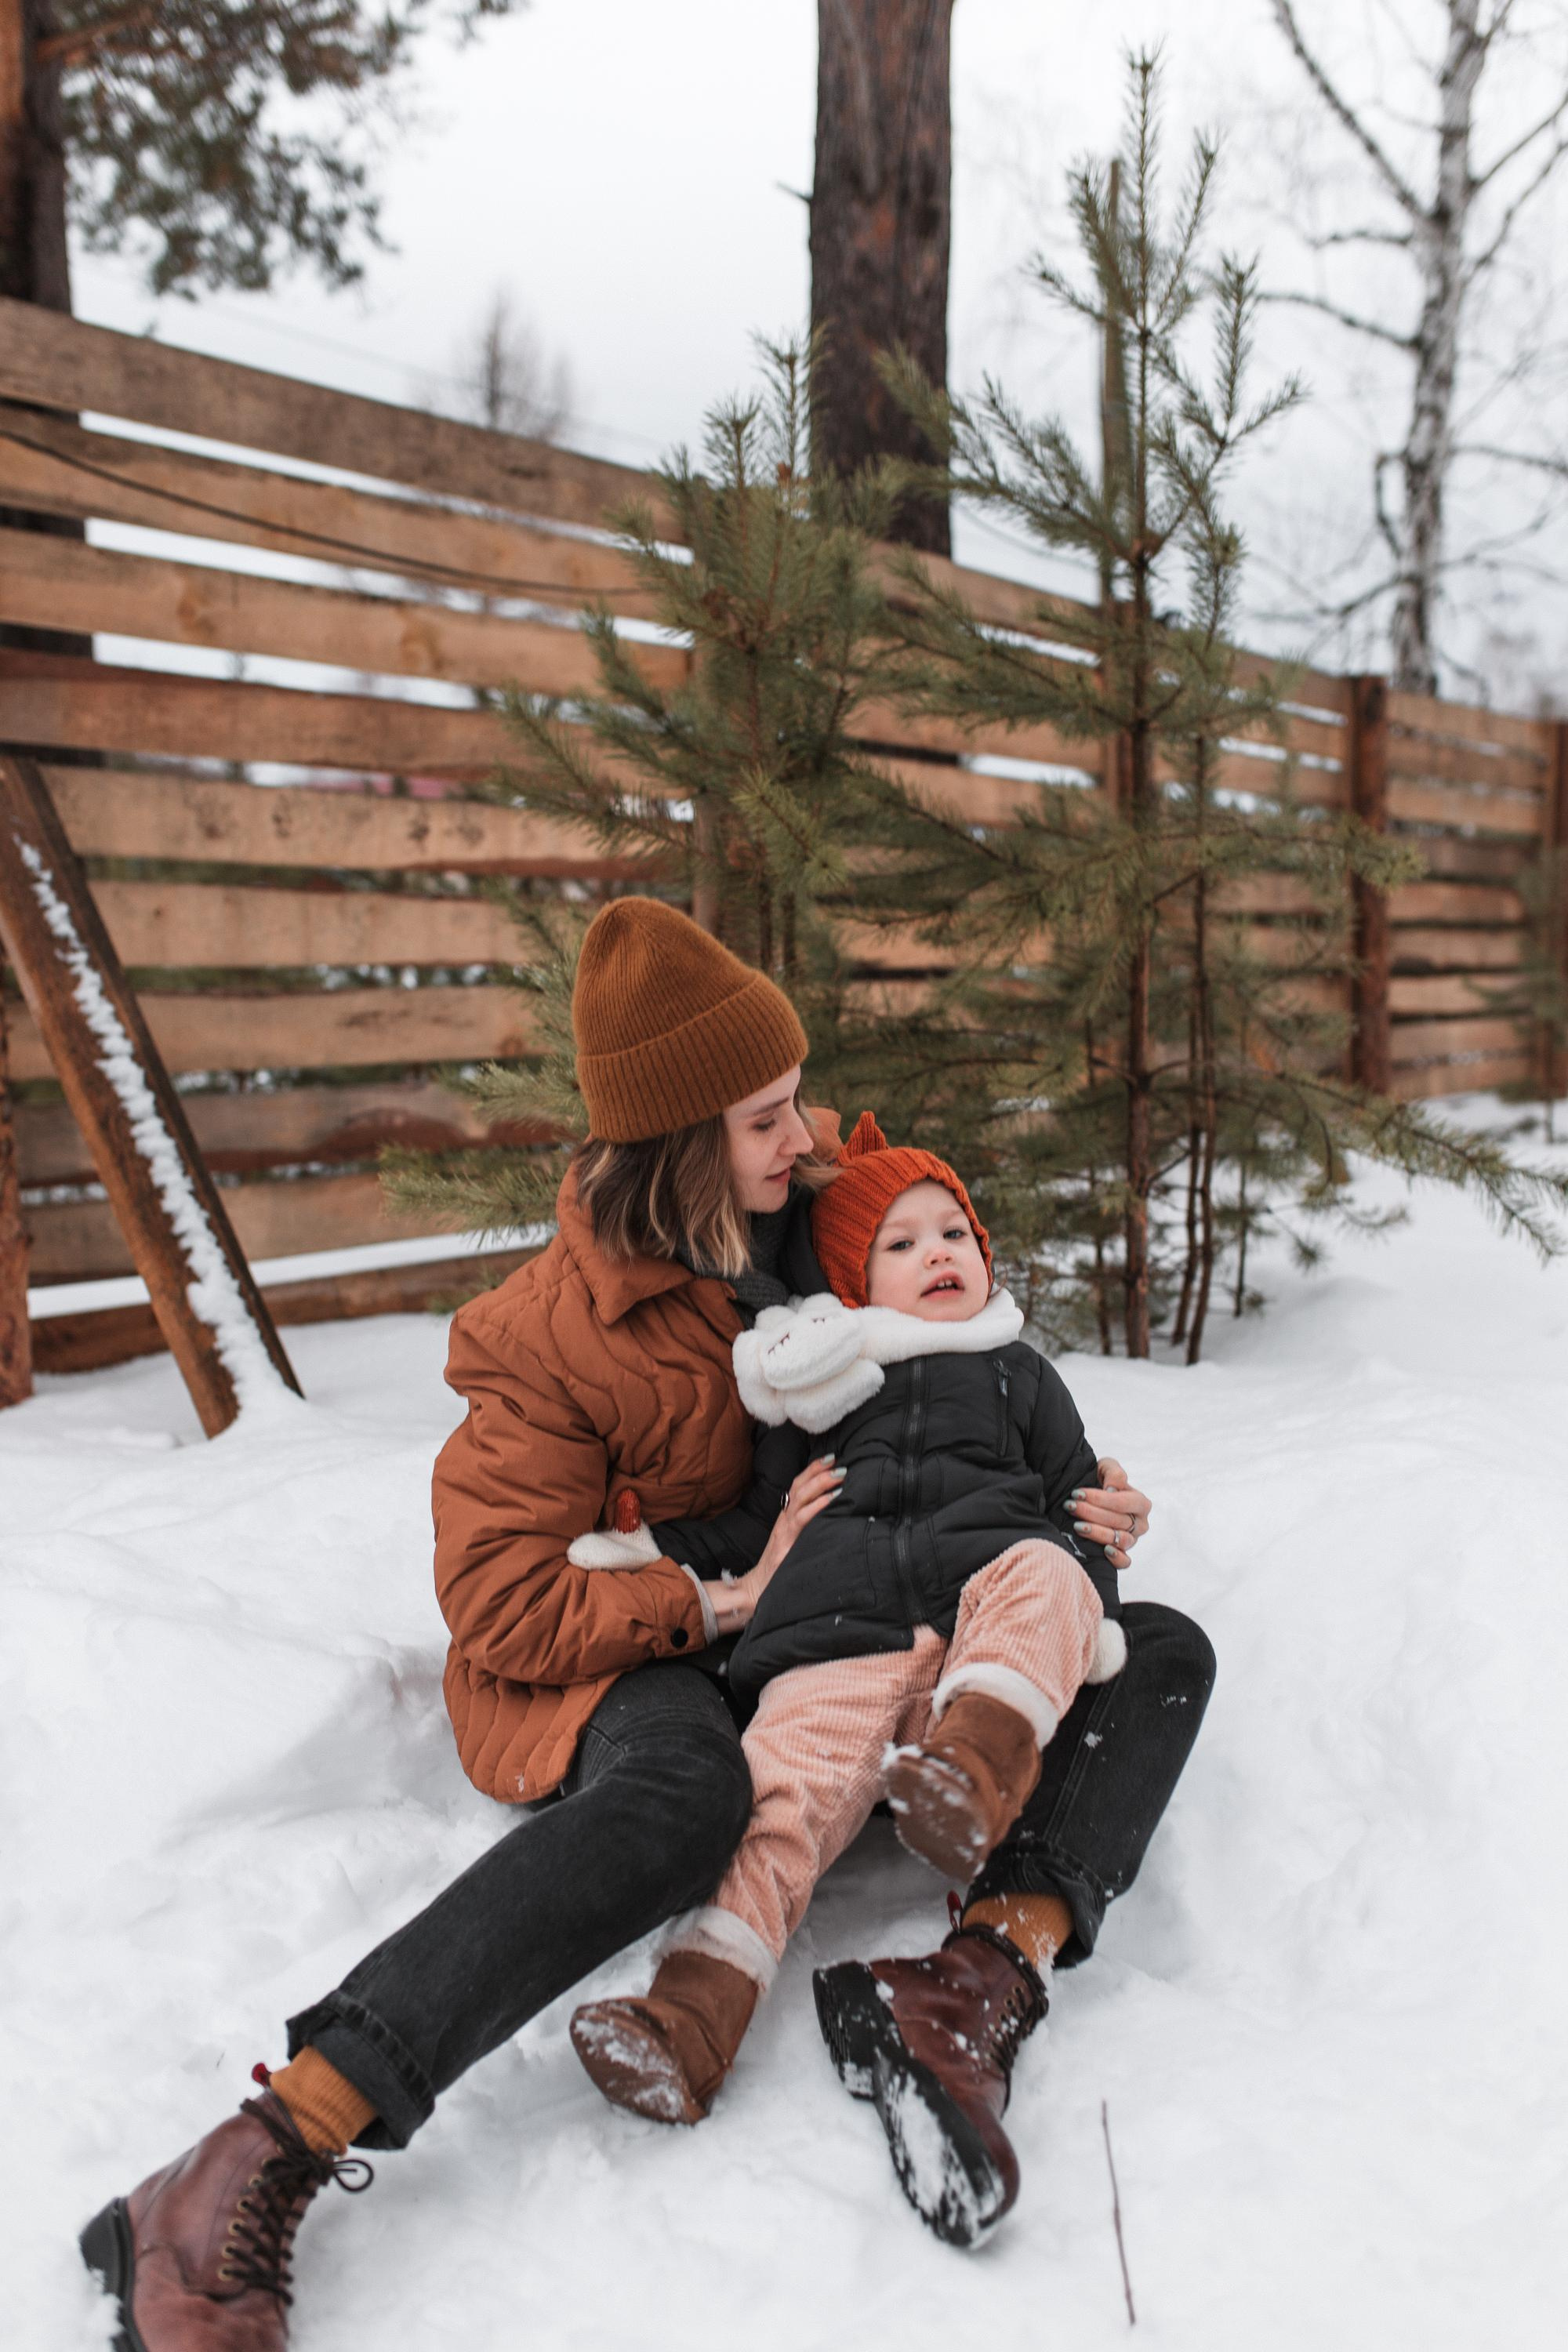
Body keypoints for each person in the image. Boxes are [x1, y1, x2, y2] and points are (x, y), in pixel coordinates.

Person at [79, 899, 1207, 2349]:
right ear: (680, 1145)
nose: (804, 1142)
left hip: (838, 1618)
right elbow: (497, 1596)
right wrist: (723, 1595)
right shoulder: (547, 1335)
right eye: (765, 1119)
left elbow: (948, 1329)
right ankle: (263, 2146)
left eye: (795, 1105)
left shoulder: (813, 1219)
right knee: (691, 1791)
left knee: (1158, 1649)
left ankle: (968, 1983)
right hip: (614, 1652)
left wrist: (1069, 1505)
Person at [568, 1115, 1137, 2245]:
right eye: (903, 1241)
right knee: (779, 1794)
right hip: (836, 1629)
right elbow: (746, 1518)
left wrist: (1104, 1539)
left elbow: (1081, 1508)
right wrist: (650, 1542)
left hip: (979, 1617)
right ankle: (690, 2016)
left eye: (955, 1233)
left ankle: (970, 1769)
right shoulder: (823, 1387)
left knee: (1048, 1573)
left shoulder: (1024, 1377)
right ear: (848, 1279)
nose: (940, 1254)